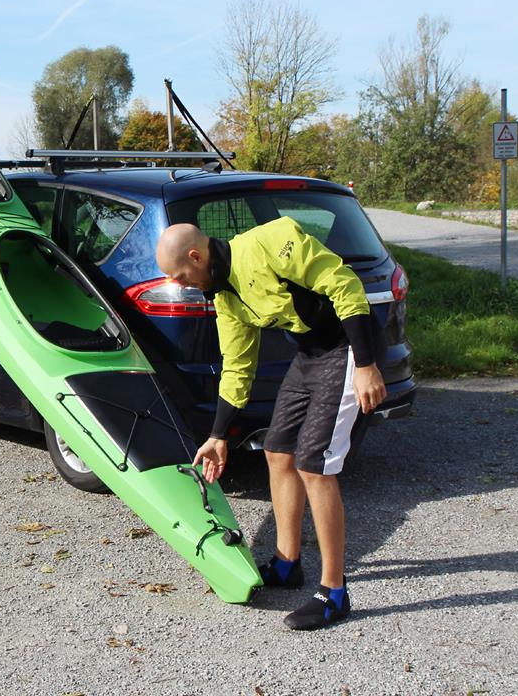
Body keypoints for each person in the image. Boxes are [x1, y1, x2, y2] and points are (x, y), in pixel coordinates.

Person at [155, 219, 386, 630]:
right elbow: (237, 367)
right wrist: (218, 435)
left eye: (181, 275)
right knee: (277, 450)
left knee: (314, 465)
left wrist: (366, 364)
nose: (181, 284)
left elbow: (345, 284)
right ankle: (286, 562)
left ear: (196, 256)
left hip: (348, 348)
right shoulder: (225, 296)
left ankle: (334, 592)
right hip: (310, 355)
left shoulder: (270, 242)